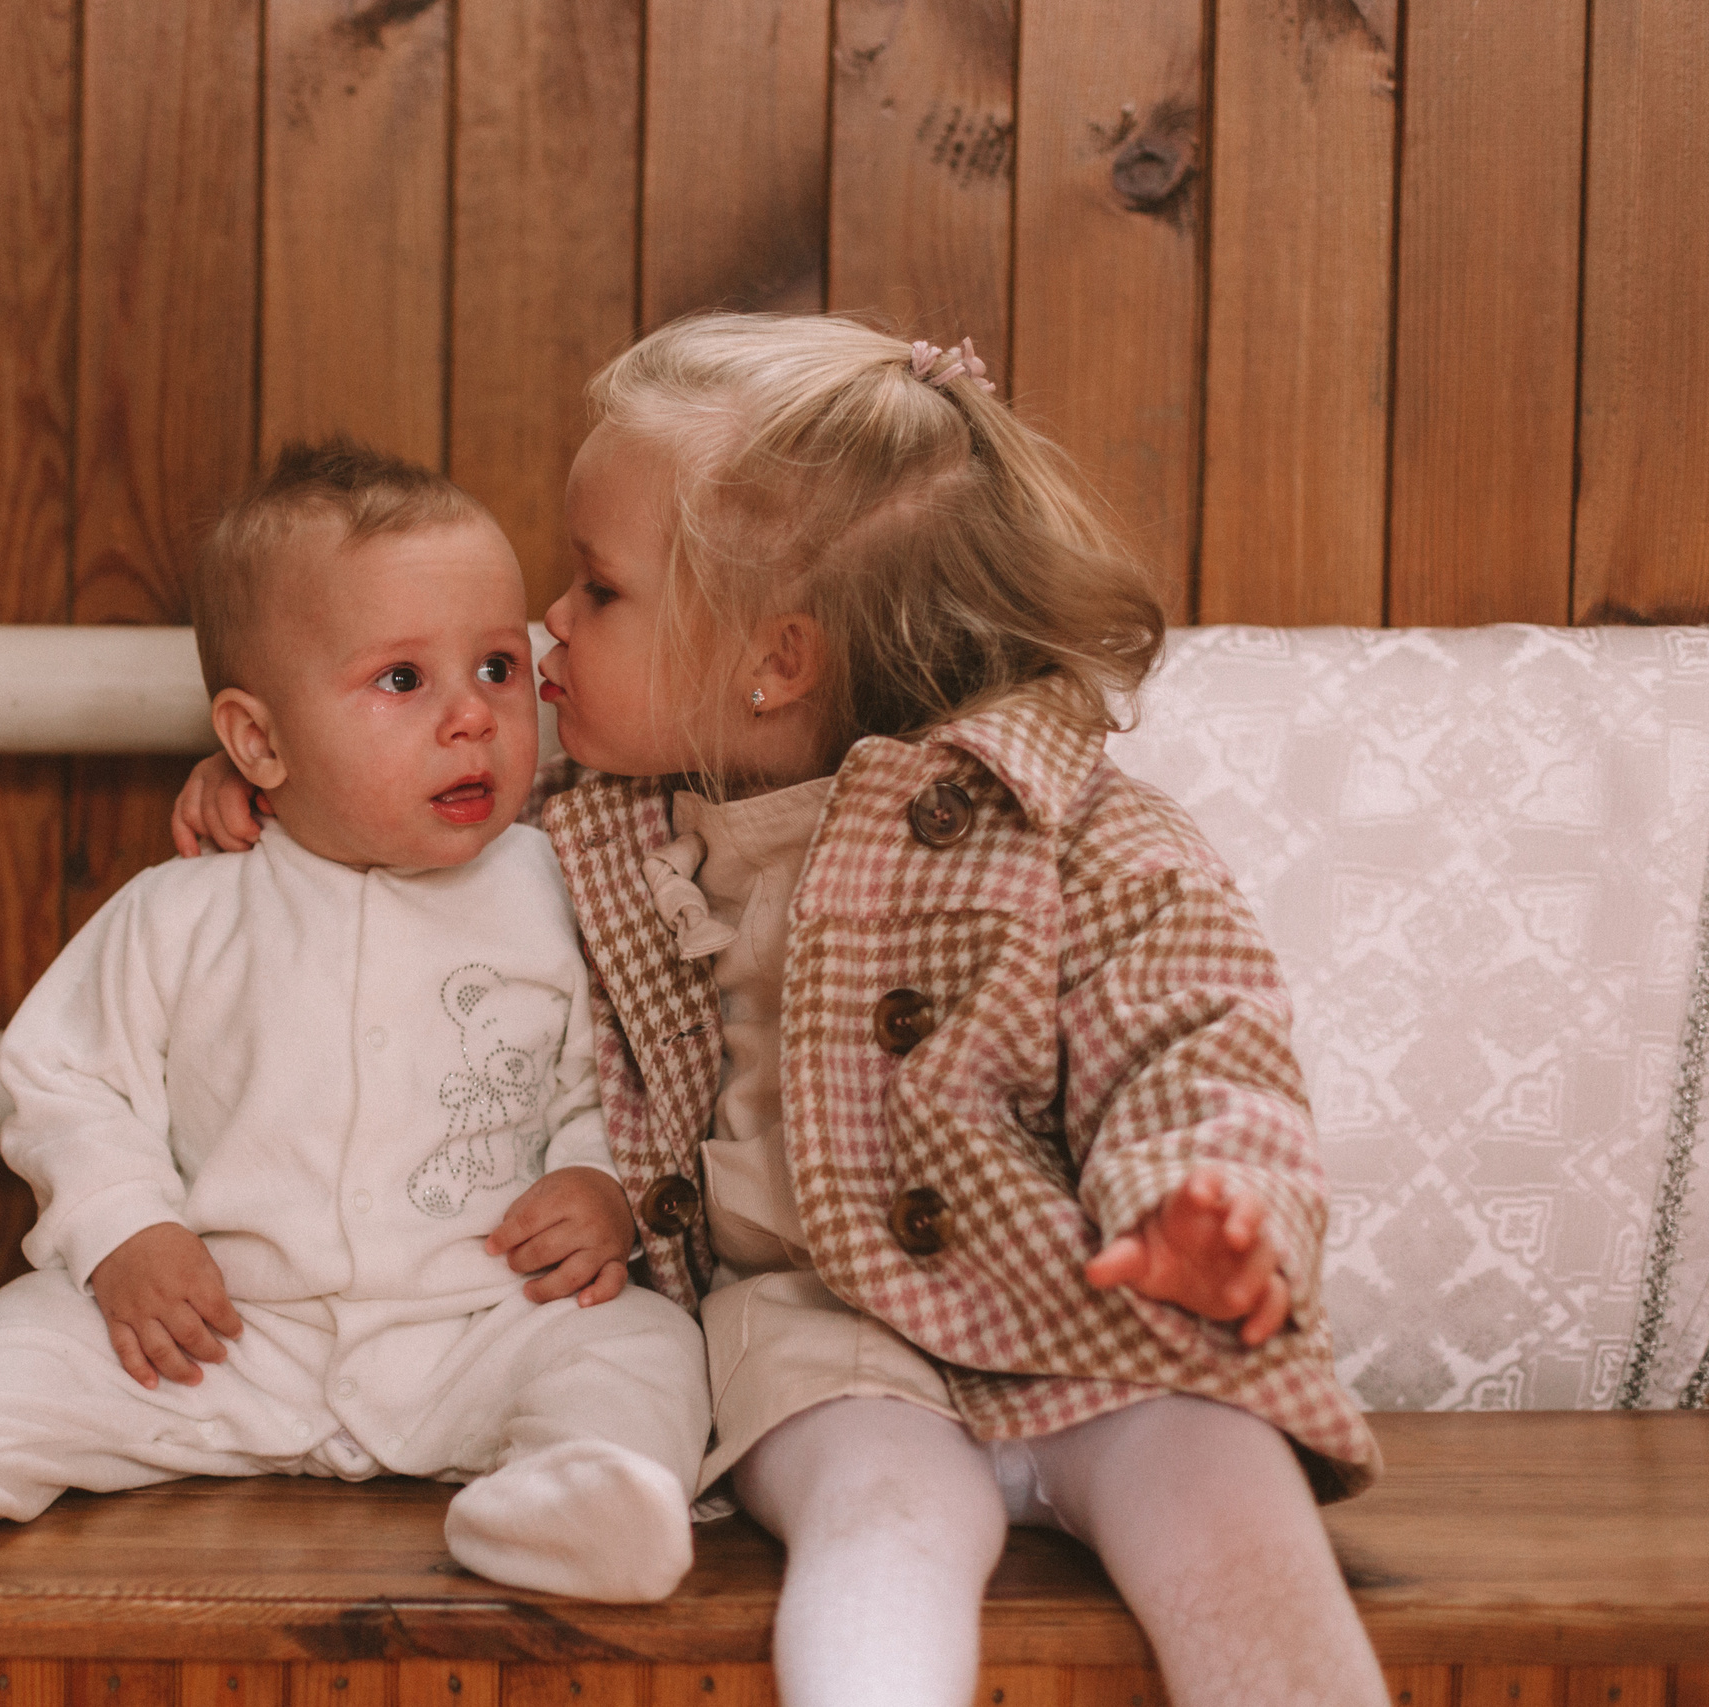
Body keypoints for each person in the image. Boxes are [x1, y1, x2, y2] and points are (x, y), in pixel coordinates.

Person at [174, 317, 1388, 1705]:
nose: (542, 627)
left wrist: (1208, 1203)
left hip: (1077, 1288)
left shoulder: (1063, 829)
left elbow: (1197, 1038)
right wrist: (276, 808)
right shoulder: (579, 835)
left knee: (1236, 1512)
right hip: (811, 1339)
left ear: (774, 661)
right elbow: (393, 825)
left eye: (598, 588)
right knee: (883, 1523)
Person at [0, 439, 710, 1604]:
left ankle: (575, 1496)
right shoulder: (187, 909)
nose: (471, 720)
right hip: (223, 1333)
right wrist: (128, 1233)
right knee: (34, 1338)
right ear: (260, 741)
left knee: (640, 1349)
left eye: (495, 666)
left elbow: (618, 1078)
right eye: (401, 682)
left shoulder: (560, 889)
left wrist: (596, 1186)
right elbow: (70, 1078)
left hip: (479, 1326)